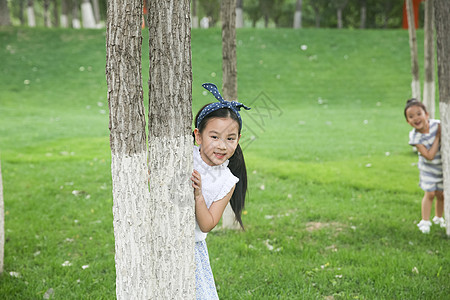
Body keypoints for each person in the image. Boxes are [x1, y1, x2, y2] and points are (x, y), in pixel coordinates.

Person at [191, 83, 250, 299]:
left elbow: (207, 224)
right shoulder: (183, 155)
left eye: (230, 138)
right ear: (198, 136)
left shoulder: (227, 181)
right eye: (214, 137)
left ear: (238, 140)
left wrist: (198, 196)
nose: (222, 146)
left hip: (191, 250)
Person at [405, 99, 445, 233]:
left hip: (442, 168)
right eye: (411, 117)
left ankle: (439, 218)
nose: (416, 118)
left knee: (441, 194)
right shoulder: (415, 137)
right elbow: (429, 156)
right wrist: (438, 138)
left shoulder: (438, 125)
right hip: (428, 170)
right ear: (407, 122)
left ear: (426, 114)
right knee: (430, 193)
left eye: (418, 114)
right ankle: (425, 221)